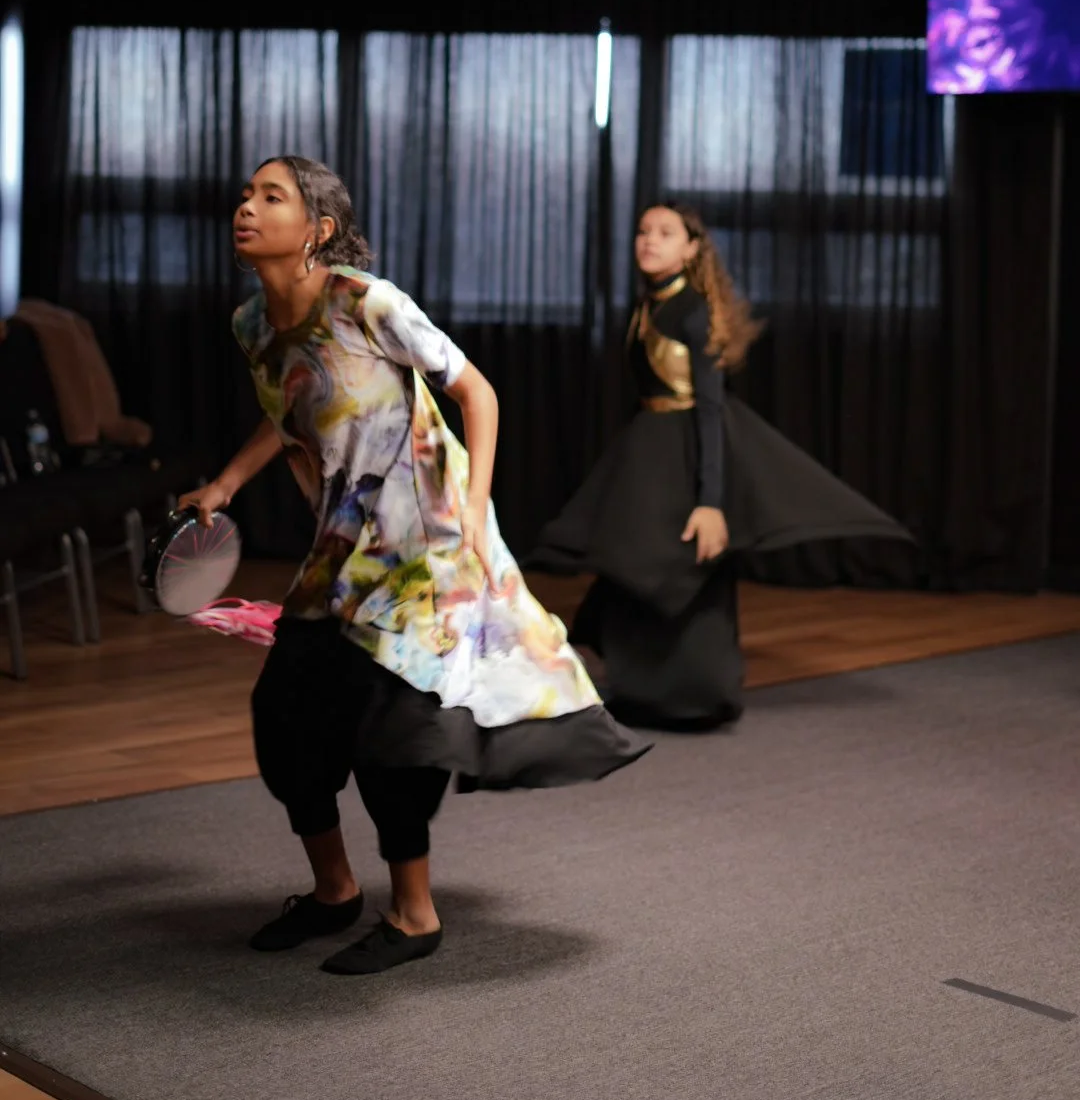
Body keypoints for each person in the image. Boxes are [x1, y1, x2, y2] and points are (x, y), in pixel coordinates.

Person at [180, 157, 646, 978]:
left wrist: (473, 508)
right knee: (284, 719)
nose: (245, 207)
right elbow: (290, 408)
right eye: (247, 195)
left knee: (393, 734)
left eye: (271, 197)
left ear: (317, 230)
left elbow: (480, 394)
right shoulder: (254, 324)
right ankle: (333, 893)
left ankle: (415, 913)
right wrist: (225, 482)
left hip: (423, 549)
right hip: (343, 547)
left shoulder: (368, 301)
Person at [529, 202, 912, 731]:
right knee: (633, 562)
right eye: (643, 230)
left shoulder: (692, 310)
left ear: (691, 249)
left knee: (679, 570)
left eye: (666, 232)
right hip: (650, 456)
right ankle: (636, 686)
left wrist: (710, 501)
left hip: (686, 458)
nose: (649, 240)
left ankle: (691, 695)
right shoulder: (647, 305)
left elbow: (710, 407)